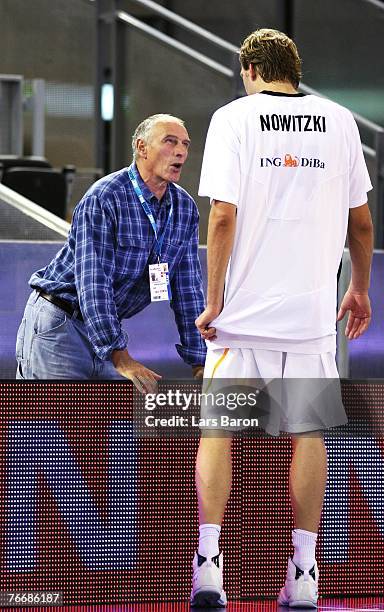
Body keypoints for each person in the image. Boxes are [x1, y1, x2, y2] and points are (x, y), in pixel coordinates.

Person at [191, 29, 373, 608]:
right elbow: (362, 224)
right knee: (308, 435)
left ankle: (211, 569)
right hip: (311, 320)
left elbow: (222, 215)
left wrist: (215, 299)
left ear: (250, 69)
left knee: (219, 431)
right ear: (295, 70)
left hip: (241, 319)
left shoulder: (233, 119)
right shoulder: (342, 122)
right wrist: (361, 290)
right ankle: (303, 573)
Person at [15, 114, 206, 389]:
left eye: (185, 145)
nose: (181, 152)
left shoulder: (185, 209)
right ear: (141, 148)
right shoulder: (104, 197)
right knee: (48, 428)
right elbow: (94, 282)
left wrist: (199, 360)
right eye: (170, 142)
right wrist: (119, 355)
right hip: (61, 323)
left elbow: (188, 290)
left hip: (106, 329)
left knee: (97, 430)